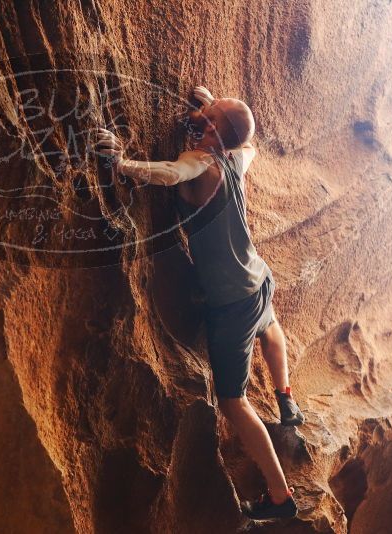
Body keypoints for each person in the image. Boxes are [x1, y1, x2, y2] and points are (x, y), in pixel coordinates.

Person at [92, 85, 305, 520]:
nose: (199, 113)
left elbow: (170, 174)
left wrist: (119, 163)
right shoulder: (235, 157)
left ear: (214, 132)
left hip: (232, 302)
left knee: (233, 402)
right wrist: (213, 116)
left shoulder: (201, 161)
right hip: (257, 278)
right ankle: (285, 397)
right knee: (270, 325)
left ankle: (280, 499)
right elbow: (249, 144)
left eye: (207, 114)